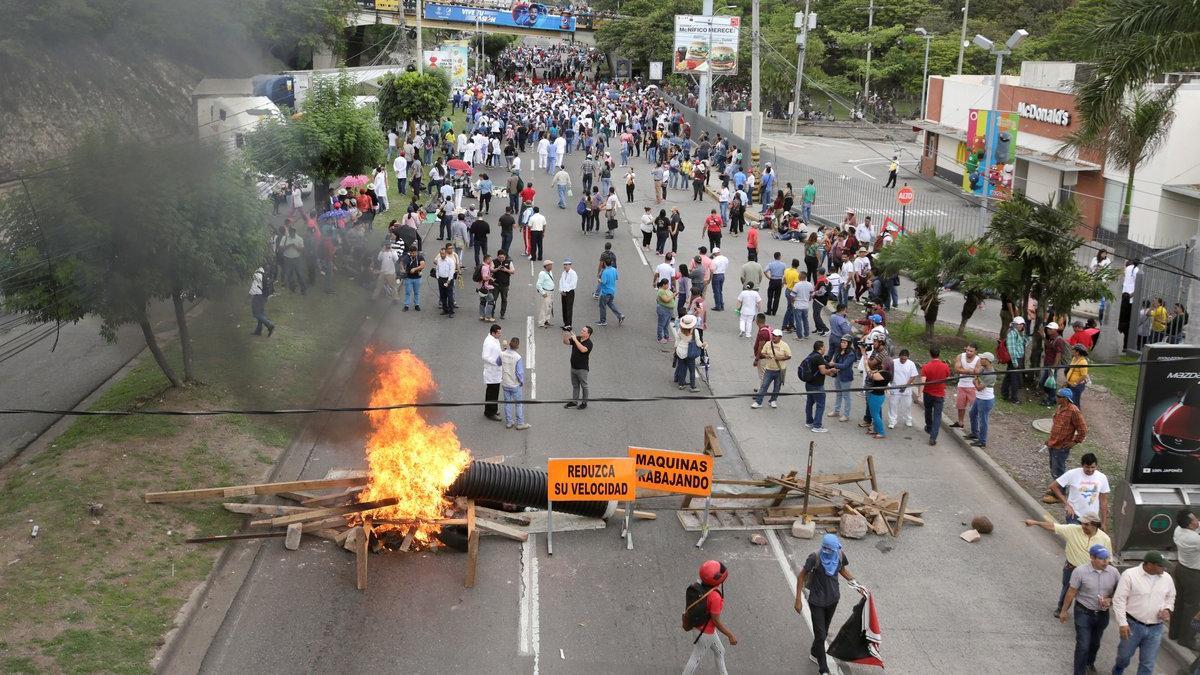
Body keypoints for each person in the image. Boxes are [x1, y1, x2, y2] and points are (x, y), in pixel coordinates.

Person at [795, 534, 865, 675]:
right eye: (826, 549)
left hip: (833, 600)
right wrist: (798, 599)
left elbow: (842, 570)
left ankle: (815, 653)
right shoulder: (814, 557)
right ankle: (824, 669)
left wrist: (858, 585)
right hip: (816, 602)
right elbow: (802, 575)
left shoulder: (839, 555)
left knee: (824, 631)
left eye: (831, 550)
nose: (828, 552)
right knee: (821, 636)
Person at [1024, 513, 1112, 616]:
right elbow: (1053, 526)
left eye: (1086, 524)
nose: (1082, 526)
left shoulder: (1105, 539)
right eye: (1082, 523)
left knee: (1089, 594)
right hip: (1072, 569)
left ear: (1095, 525)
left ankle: (1086, 614)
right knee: (1068, 589)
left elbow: (1107, 559)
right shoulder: (1072, 530)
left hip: (1091, 572)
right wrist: (1035, 523)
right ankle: (1062, 608)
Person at [1058, 544, 1120, 675]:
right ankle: (1079, 672)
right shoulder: (1080, 572)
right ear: (1092, 557)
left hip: (1102, 615)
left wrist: (1110, 600)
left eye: (1107, 558)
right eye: (1102, 559)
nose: (1106, 562)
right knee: (1083, 645)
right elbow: (1071, 592)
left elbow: (1119, 593)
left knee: (1095, 643)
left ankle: (1089, 663)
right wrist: (1064, 611)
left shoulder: (1114, 573)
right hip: (1083, 612)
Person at [1112, 551, 1175, 675]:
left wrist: (1167, 609)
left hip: (1155, 628)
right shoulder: (1130, 575)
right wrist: (1122, 623)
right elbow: (1119, 600)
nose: (1164, 568)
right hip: (1132, 626)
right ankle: (1118, 669)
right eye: (1161, 565)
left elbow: (1171, 596)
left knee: (1148, 663)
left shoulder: (1166, 578)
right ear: (1150, 565)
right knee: (1124, 657)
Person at [682, 560, 737, 675]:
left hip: (701, 628)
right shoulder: (715, 597)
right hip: (705, 633)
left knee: (720, 652)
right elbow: (716, 621)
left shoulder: (699, 586)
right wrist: (730, 635)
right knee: (696, 658)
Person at [1046, 388, 1088, 484]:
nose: (1056, 398)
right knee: (1053, 468)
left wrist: (1075, 441)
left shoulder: (1074, 411)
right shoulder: (1060, 407)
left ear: (1065, 399)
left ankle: (1060, 493)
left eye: (1059, 397)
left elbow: (1083, 429)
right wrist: (1049, 440)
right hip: (1052, 444)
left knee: (1059, 471)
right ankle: (1055, 489)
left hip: (1061, 447)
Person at [1171, 510, 1200, 649]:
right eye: (1195, 520)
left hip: (1181, 568)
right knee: (1193, 608)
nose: (1197, 520)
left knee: (1180, 603)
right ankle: (1187, 639)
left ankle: (1174, 632)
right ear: (1189, 525)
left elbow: (1197, 526)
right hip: (1194, 574)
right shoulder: (1194, 539)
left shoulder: (1179, 530)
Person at [800, 340, 836, 433]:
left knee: (810, 403)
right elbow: (823, 371)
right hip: (817, 385)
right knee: (820, 405)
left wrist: (829, 367)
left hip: (809, 384)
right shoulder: (819, 358)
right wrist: (831, 371)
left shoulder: (811, 355)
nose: (825, 349)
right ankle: (817, 426)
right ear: (820, 348)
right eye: (824, 347)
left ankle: (809, 422)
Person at [918, 347, 950, 445]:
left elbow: (923, 382)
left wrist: (919, 393)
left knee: (928, 411)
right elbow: (947, 378)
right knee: (937, 415)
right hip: (939, 394)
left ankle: (929, 427)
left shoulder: (926, 367)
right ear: (939, 354)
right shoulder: (945, 366)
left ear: (930, 354)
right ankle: (933, 437)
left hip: (928, 393)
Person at [752, 329, 791, 409]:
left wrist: (780, 358)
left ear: (780, 337)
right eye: (773, 335)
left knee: (777, 387)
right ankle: (758, 402)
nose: (773, 337)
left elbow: (789, 356)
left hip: (780, 370)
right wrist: (766, 356)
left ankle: (773, 400)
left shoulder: (785, 345)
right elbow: (763, 353)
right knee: (764, 386)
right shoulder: (768, 344)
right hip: (769, 369)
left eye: (775, 336)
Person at [497, 337, 531, 430]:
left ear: (509, 344)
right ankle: (520, 423)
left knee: (507, 403)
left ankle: (509, 422)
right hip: (514, 384)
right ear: (518, 346)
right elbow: (519, 372)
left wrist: (503, 350)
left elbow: (498, 363)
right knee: (518, 404)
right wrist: (522, 382)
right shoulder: (518, 357)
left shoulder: (502, 354)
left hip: (505, 383)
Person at [965, 352, 997, 448]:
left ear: (988, 361)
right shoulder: (984, 369)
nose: (980, 360)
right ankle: (975, 433)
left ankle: (982, 441)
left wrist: (974, 382)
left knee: (983, 420)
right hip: (979, 398)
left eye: (982, 358)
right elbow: (977, 375)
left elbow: (979, 387)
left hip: (986, 400)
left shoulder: (991, 374)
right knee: (972, 413)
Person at [672, 314, 706, 392]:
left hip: (680, 351)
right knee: (691, 370)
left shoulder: (680, 330)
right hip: (690, 353)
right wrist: (704, 344)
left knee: (681, 368)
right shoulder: (694, 331)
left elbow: (677, 340)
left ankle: (681, 384)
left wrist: (675, 349)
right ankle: (692, 387)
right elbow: (698, 343)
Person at [950, 344, 980, 429]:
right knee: (960, 405)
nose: (968, 352)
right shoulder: (960, 356)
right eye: (967, 350)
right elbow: (956, 369)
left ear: (975, 352)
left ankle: (975, 427)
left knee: (974, 407)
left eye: (971, 351)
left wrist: (963, 370)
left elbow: (977, 372)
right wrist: (969, 371)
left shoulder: (978, 360)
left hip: (973, 386)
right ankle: (960, 422)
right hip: (961, 384)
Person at [887, 349, 919, 429]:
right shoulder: (893, 362)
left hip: (907, 389)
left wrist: (906, 385)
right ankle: (892, 421)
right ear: (899, 356)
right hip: (895, 388)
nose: (903, 360)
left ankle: (908, 419)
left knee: (907, 405)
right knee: (893, 405)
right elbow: (888, 373)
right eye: (902, 359)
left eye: (905, 359)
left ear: (908, 358)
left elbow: (913, 376)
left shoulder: (911, 364)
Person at [563, 326, 593, 410]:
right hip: (573, 367)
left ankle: (584, 402)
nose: (581, 331)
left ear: (588, 334)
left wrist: (575, 340)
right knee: (575, 385)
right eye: (582, 330)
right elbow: (566, 342)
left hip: (582, 369)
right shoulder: (578, 338)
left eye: (584, 331)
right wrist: (566, 333)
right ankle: (575, 401)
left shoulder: (589, 343)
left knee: (584, 386)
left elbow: (583, 350)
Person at [1001, 316, 1028, 403]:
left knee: (1008, 376)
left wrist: (1023, 334)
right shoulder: (1012, 334)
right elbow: (1011, 349)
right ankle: (1014, 398)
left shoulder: (1019, 333)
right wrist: (1015, 362)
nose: (1020, 326)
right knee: (1015, 379)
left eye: (1022, 324)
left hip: (1018, 358)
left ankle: (1004, 394)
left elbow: (1025, 342)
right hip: (1015, 359)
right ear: (1014, 325)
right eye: (1018, 324)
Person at [482, 324, 503, 421]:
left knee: (495, 391)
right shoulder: (488, 342)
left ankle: (493, 409)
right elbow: (485, 356)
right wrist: (495, 362)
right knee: (492, 393)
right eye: (499, 333)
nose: (500, 334)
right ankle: (490, 412)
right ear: (493, 333)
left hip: (496, 371)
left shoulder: (494, 339)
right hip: (492, 371)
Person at [864, 354, 888, 439]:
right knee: (875, 414)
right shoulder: (882, 372)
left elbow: (871, 375)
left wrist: (866, 365)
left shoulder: (886, 374)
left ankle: (881, 432)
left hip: (877, 396)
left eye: (884, 363)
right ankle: (875, 429)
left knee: (875, 415)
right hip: (873, 394)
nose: (882, 364)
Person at [597, 258, 625, 326]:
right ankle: (620, 315)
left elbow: (604, 282)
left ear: (605, 263)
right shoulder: (614, 269)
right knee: (610, 304)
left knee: (602, 306)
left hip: (605, 292)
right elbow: (616, 278)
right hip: (612, 291)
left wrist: (599, 280)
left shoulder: (605, 272)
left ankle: (603, 321)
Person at [249, 266, 275, 337]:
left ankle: (269, 325)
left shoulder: (257, 273)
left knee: (256, 314)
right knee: (261, 313)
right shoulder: (264, 272)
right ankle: (258, 330)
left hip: (258, 295)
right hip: (263, 296)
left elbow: (255, 285)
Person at [1065, 344, 1090, 409]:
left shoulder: (1083, 362)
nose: (1071, 351)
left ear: (1077, 352)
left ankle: (1076, 416)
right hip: (1071, 383)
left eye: (1073, 350)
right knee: (1070, 401)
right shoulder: (1074, 359)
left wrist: (1075, 383)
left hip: (1077, 385)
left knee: (1074, 402)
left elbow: (1084, 376)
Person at [791, 271, 814, 339]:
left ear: (800, 277)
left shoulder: (797, 285)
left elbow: (792, 296)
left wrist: (792, 303)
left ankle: (799, 336)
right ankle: (806, 334)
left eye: (799, 275)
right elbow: (812, 294)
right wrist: (809, 298)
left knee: (798, 321)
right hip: (806, 306)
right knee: (805, 320)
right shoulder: (810, 284)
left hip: (798, 306)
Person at [491, 250, 514, 319]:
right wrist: (497, 269)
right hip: (496, 284)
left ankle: (502, 314)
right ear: (497, 256)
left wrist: (506, 270)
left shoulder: (509, 262)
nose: (501, 259)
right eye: (500, 257)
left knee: (504, 299)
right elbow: (491, 270)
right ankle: (492, 313)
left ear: (505, 256)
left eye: (503, 257)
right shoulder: (494, 261)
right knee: (493, 299)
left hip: (505, 284)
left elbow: (513, 271)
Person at [436, 245, 457, 316]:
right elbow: (437, 269)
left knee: (450, 296)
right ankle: (445, 309)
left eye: (443, 253)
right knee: (442, 296)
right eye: (441, 253)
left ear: (446, 253)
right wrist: (438, 277)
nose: (442, 255)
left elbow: (452, 271)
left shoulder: (450, 261)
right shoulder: (439, 260)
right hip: (441, 279)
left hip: (448, 279)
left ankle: (451, 311)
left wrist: (448, 281)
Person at [655, 278, 676, 343]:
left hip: (669, 310)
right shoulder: (661, 291)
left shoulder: (666, 290)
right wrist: (673, 295)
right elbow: (666, 300)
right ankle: (660, 338)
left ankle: (666, 336)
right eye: (667, 284)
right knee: (661, 324)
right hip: (663, 309)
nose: (668, 285)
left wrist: (673, 294)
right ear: (664, 284)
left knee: (666, 324)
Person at [536, 260, 555, 328]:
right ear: (546, 266)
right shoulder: (542, 274)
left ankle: (547, 320)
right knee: (544, 308)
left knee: (549, 307)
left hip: (551, 292)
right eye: (550, 265)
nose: (551, 266)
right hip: (546, 292)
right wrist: (543, 293)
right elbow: (538, 284)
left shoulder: (550, 272)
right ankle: (541, 322)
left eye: (551, 264)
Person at [559, 258, 578, 329]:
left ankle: (569, 324)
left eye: (566, 265)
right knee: (564, 307)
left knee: (569, 308)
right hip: (563, 292)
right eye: (564, 265)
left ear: (570, 265)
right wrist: (561, 290)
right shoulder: (563, 273)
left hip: (569, 292)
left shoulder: (573, 273)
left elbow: (573, 284)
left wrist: (565, 291)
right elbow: (561, 282)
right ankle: (565, 323)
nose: (565, 266)